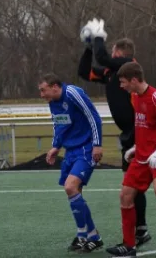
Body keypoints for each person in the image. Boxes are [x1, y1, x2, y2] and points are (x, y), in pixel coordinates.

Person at [77, 19, 156, 248]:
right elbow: (85, 72)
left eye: (124, 82)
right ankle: (138, 234)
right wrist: (89, 47)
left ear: (121, 54)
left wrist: (98, 37)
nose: (121, 85)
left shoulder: (129, 66)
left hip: (149, 138)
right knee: (129, 190)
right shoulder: (114, 75)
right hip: (132, 135)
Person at [105, 61, 156, 257]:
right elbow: (144, 126)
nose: (121, 86)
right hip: (142, 156)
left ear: (134, 80)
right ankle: (129, 245)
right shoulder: (134, 97)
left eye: (123, 82)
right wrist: (136, 147)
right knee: (125, 195)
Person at [39, 73, 104, 253]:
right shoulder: (53, 103)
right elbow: (59, 124)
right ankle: (86, 235)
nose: (41, 94)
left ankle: (92, 236)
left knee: (70, 187)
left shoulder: (73, 93)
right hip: (70, 150)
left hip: (86, 148)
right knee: (74, 193)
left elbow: (94, 117)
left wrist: (97, 145)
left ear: (54, 86)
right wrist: (55, 146)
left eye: (43, 90)